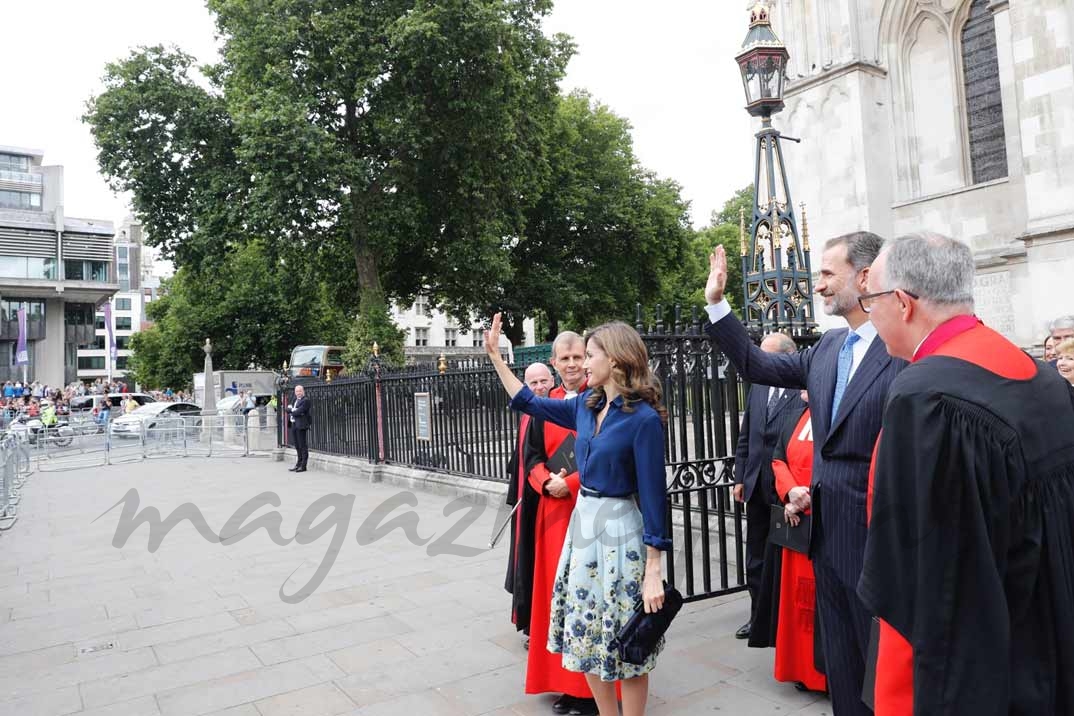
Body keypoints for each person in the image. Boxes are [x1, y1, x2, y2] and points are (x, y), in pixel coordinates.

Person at [859, 232, 1074, 714]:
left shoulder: (925, 398)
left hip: (979, 670)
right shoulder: (1040, 376)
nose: (869, 314)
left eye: (871, 298)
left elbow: (924, 576)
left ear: (902, 302)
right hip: (1048, 638)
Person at [703, 233, 904, 716]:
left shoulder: (902, 347)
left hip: (878, 534)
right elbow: (755, 363)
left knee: (882, 665)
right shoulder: (830, 346)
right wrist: (717, 305)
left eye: (827, 274)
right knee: (842, 664)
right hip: (823, 533)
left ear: (864, 276)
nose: (818, 286)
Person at [484, 315, 670, 716]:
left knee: (628, 645)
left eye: (590, 355)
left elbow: (656, 499)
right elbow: (528, 401)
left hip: (621, 532)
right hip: (582, 531)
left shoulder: (643, 420)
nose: (583, 364)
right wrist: (497, 358)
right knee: (584, 635)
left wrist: (654, 570)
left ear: (616, 359)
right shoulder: (587, 407)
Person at [520, 333, 597, 716]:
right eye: (564, 357)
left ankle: (588, 690)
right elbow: (531, 456)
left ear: (588, 359)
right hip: (552, 514)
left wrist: (569, 483)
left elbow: (605, 455)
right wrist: (544, 483)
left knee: (584, 600)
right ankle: (562, 681)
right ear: (553, 363)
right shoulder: (544, 406)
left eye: (577, 357)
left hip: (588, 509)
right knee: (556, 600)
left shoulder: (599, 400)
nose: (571, 364)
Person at [732, 333, 804, 643]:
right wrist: (739, 475)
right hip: (755, 484)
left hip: (786, 487)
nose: (760, 363)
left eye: (767, 357)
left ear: (787, 358)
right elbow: (747, 433)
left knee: (784, 556)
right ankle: (758, 616)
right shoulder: (759, 386)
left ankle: (784, 620)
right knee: (756, 554)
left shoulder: (801, 389)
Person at [770, 392, 827, 694]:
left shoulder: (836, 415)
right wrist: (791, 492)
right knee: (797, 604)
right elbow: (778, 458)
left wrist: (806, 499)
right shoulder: (794, 415)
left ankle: (827, 675)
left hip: (825, 524)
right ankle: (801, 670)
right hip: (797, 523)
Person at [505, 361, 556, 641]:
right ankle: (530, 623)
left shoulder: (554, 409)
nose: (539, 387)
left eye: (543, 381)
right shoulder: (527, 412)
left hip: (545, 498)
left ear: (552, 379)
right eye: (533, 383)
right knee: (525, 563)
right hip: (525, 499)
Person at [287, 384, 311, 473]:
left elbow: (299, 411)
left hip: (301, 425)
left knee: (302, 445)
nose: (298, 393)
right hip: (293, 424)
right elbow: (287, 409)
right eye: (297, 391)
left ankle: (303, 466)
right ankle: (298, 464)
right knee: (297, 446)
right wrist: (293, 410)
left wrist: (292, 410)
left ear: (303, 391)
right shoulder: (294, 399)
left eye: (300, 391)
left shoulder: (306, 401)